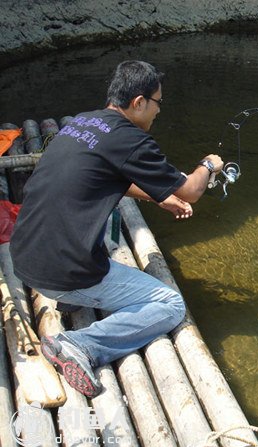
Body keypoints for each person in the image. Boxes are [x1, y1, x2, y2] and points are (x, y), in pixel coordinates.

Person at [9, 60, 223, 398]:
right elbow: (191, 190)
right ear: (139, 102)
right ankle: (78, 344)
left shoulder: (83, 122)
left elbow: (100, 177)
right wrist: (210, 164)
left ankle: (74, 300)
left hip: (25, 256)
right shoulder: (132, 141)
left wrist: (157, 197)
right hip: (61, 274)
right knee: (169, 305)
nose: (158, 112)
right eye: (158, 103)